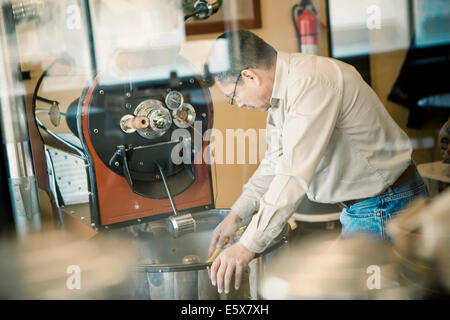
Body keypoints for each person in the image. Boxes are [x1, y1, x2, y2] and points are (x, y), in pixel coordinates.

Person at [203, 30, 429, 295]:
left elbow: (292, 175)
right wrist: (236, 215)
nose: (238, 104)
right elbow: (274, 162)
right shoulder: (286, 89)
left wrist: (247, 246)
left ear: (249, 76)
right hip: (367, 207)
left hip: (385, 207)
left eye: (233, 96)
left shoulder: (311, 83)